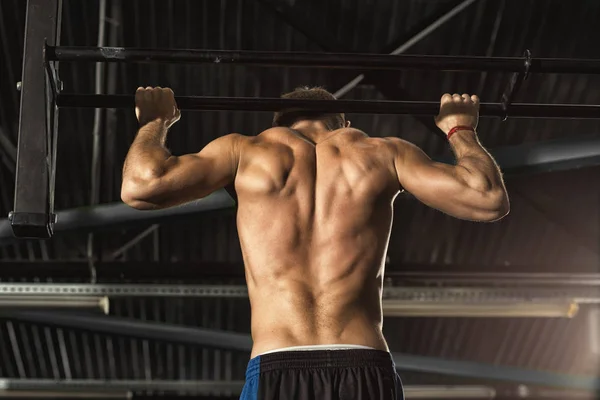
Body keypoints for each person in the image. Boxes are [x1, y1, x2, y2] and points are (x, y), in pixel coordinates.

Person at [121, 86, 510, 400]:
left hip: (276, 363)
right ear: (343, 122)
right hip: (365, 362)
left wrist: (155, 122)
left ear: (278, 123)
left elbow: (141, 186)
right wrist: (460, 129)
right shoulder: (382, 153)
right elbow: (487, 198)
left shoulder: (243, 152)